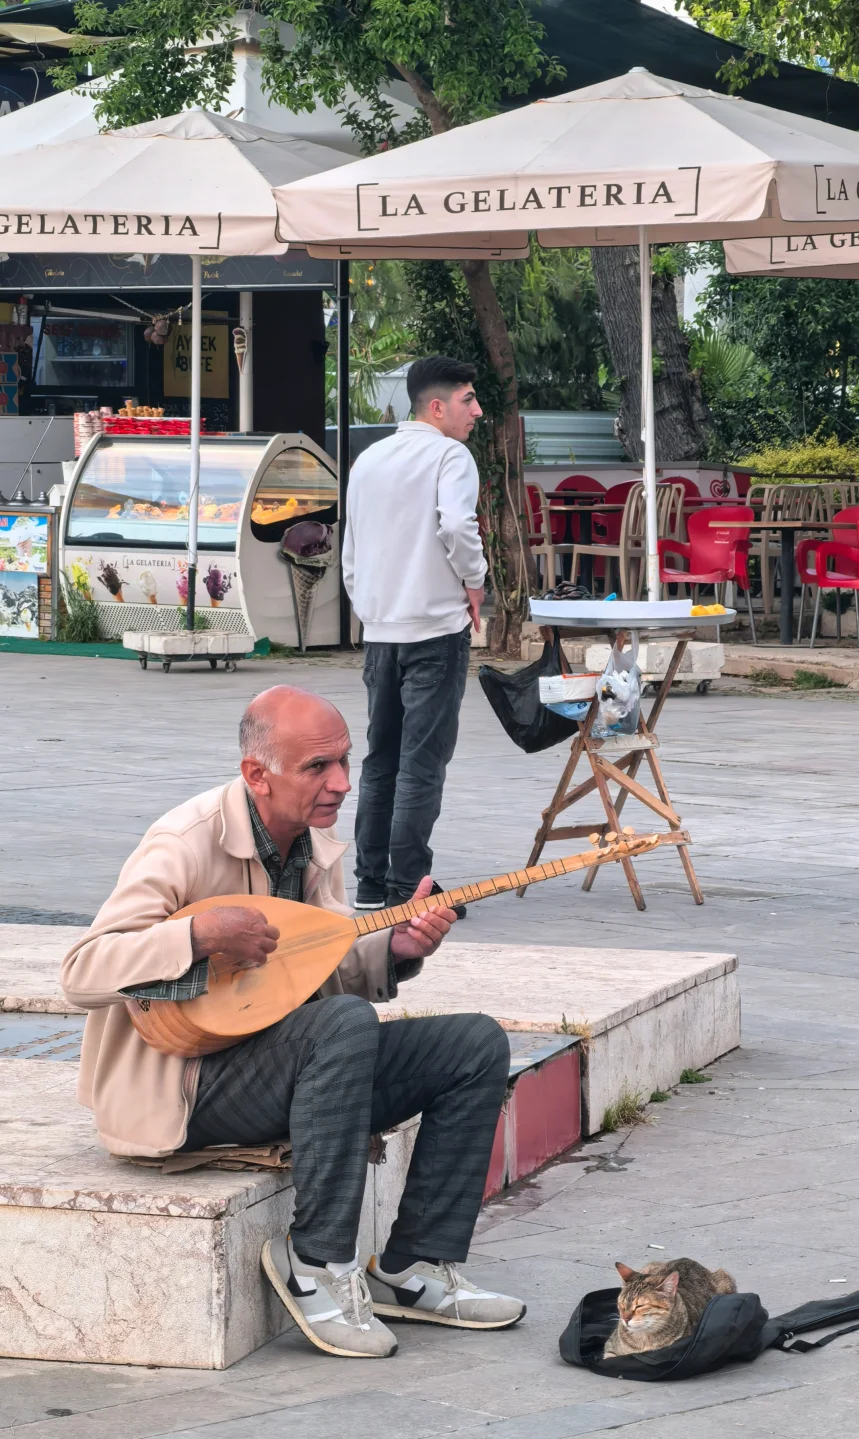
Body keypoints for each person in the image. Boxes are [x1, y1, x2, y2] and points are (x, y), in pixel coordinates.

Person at [61, 686, 524, 1360]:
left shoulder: (310, 844)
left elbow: (314, 963)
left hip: (279, 1062)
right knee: (343, 1023)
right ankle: (315, 1260)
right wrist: (198, 934)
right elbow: (81, 968)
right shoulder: (183, 842)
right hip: (186, 1085)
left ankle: (413, 1266)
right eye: (317, 767)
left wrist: (396, 947)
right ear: (257, 774)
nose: (340, 783)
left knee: (473, 1044)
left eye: (345, 762)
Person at [341, 355, 486, 915]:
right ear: (437, 406)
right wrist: (475, 582)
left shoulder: (369, 459)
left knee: (381, 758)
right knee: (422, 763)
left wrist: (370, 605)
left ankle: (371, 882)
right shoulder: (451, 455)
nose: (475, 410)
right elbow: (455, 524)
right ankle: (409, 887)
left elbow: (350, 547)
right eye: (467, 400)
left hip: (382, 629)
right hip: (435, 628)